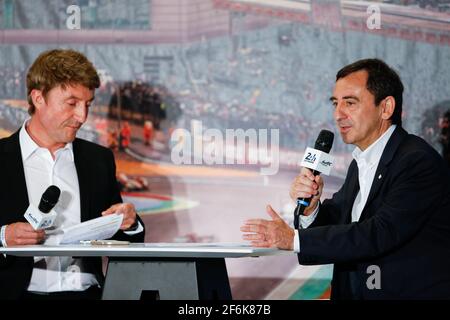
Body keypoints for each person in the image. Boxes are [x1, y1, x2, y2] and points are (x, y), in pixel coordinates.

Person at [241, 58, 450, 299]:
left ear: (386, 108)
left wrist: (294, 239)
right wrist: (310, 209)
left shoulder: (416, 161)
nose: (338, 114)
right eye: (335, 103)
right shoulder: (362, 160)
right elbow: (341, 223)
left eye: (350, 103)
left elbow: (378, 233)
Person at [0, 49, 145, 300]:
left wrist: (130, 224)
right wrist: (2, 236)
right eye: (72, 103)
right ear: (38, 98)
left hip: (88, 294)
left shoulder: (98, 159)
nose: (82, 116)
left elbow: (121, 242)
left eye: (87, 104)